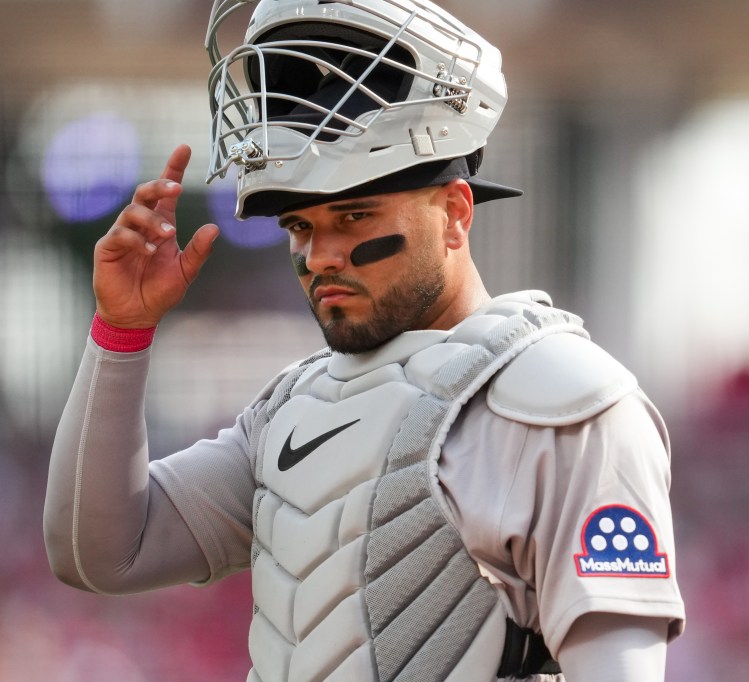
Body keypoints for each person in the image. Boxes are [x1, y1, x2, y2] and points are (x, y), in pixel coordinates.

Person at [43, 1, 685, 680]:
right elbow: (100, 552)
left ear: (456, 213)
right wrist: (123, 329)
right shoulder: (295, 408)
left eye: (353, 215)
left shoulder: (565, 401)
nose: (321, 255)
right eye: (300, 226)